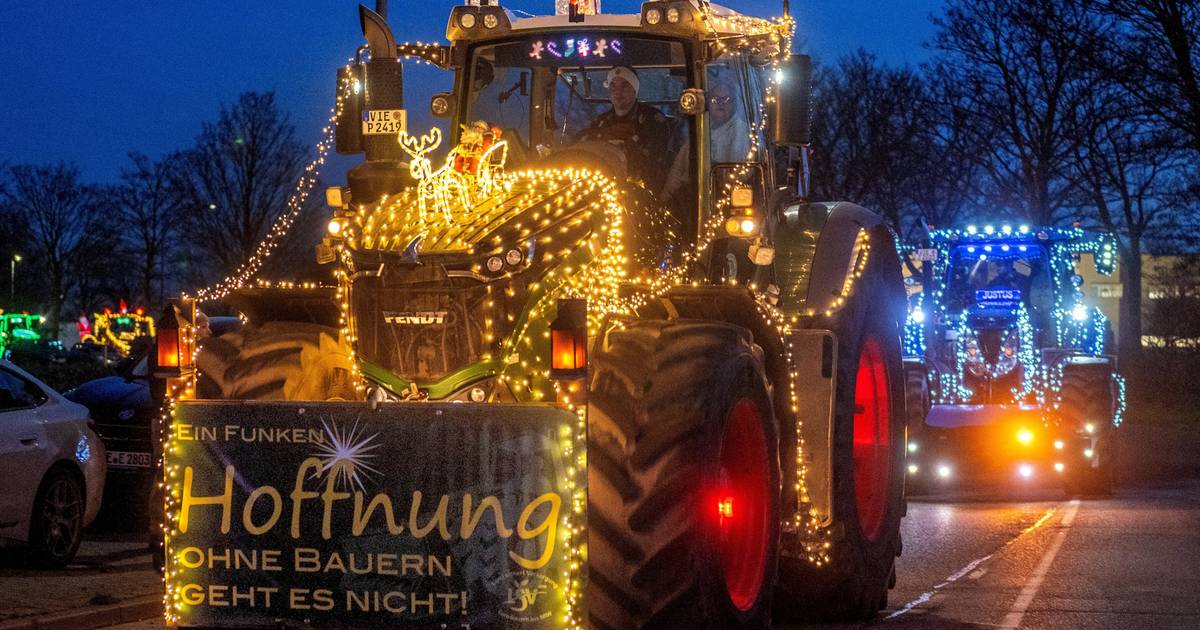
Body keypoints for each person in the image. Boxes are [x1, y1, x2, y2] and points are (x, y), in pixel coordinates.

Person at [579, 66, 670, 182]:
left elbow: (657, 160)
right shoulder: (599, 122)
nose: (618, 91)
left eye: (625, 85)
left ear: (634, 90)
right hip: (601, 184)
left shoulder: (654, 119)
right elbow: (585, 151)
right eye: (613, 85)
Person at [707, 79, 749, 163]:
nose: (721, 103)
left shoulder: (743, 133)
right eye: (715, 99)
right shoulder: (701, 128)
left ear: (735, 103)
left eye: (727, 99)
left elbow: (741, 173)